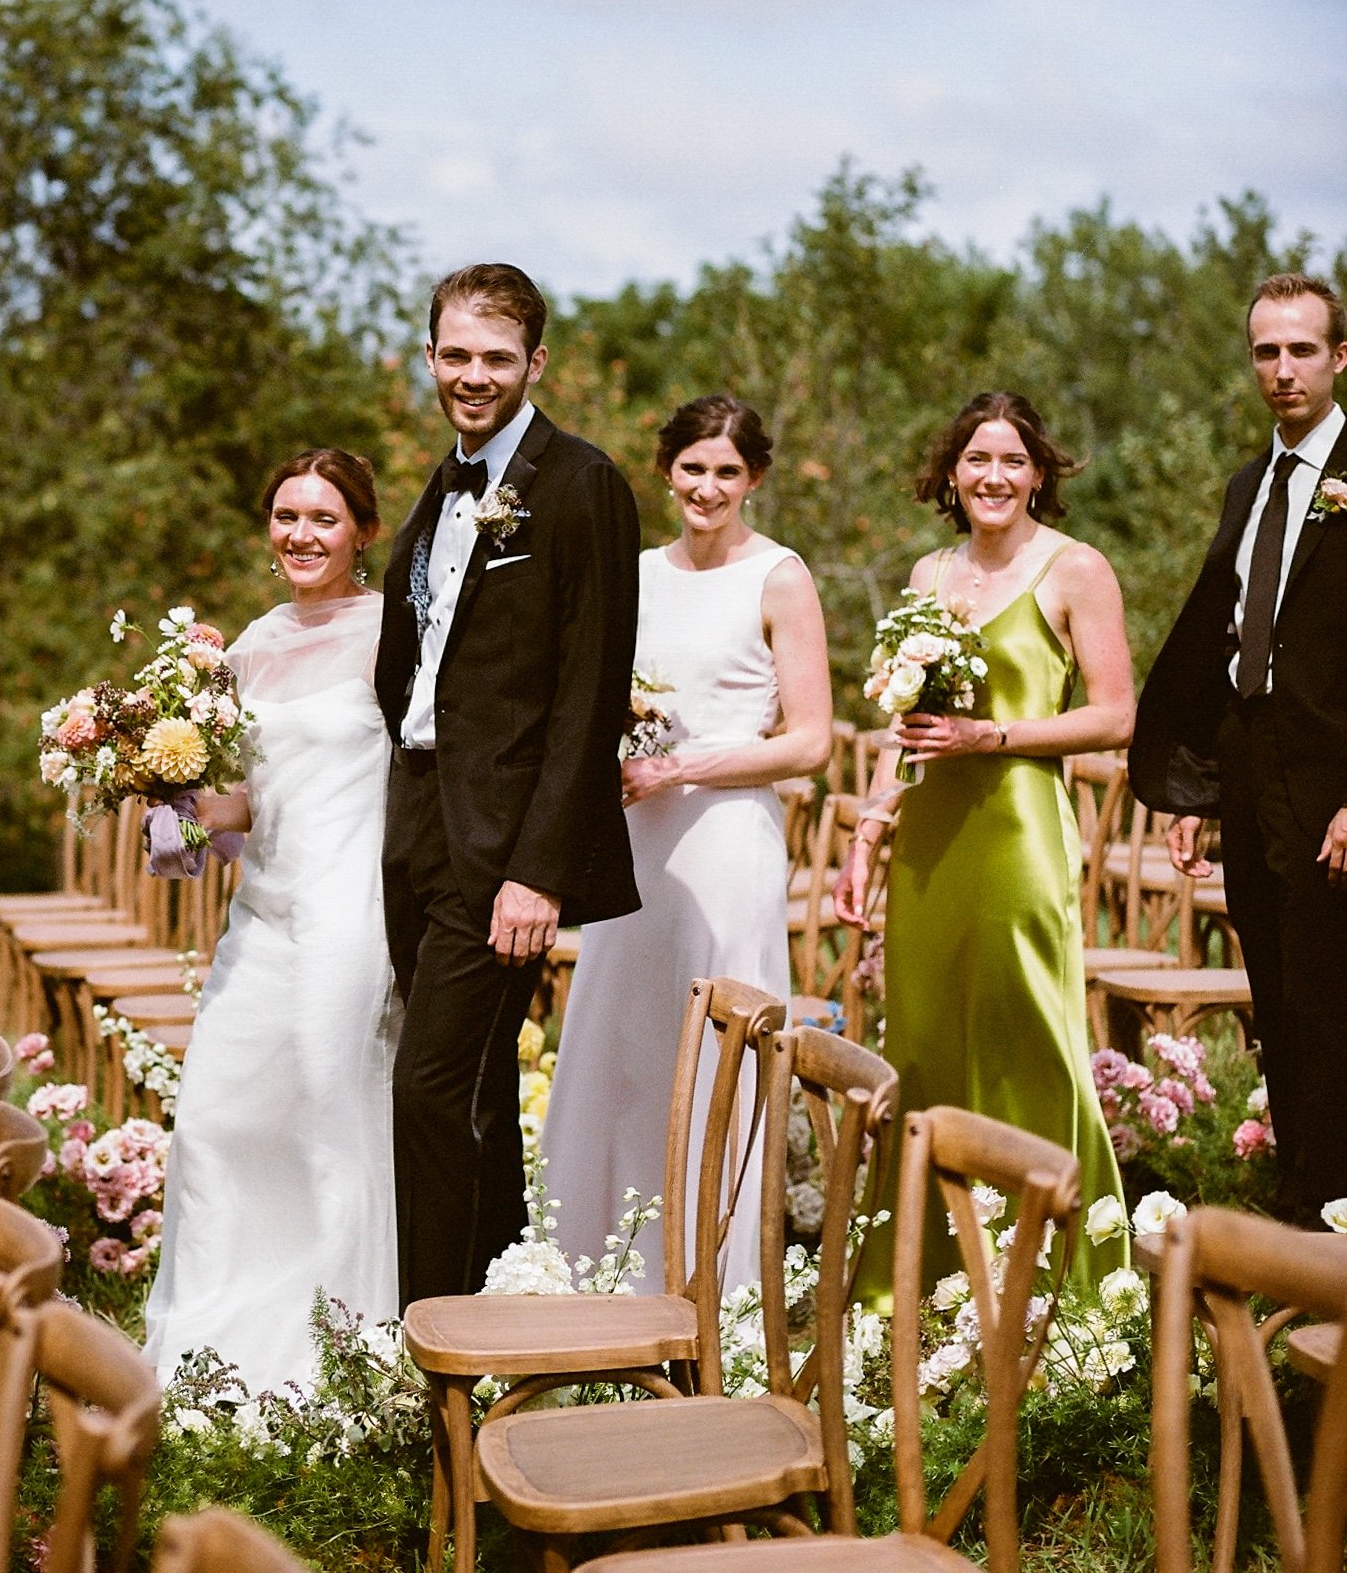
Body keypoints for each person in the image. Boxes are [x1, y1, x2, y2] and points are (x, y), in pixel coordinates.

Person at [376, 263, 641, 1305]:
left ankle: (424, 1338)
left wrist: (537, 871)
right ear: (430, 357)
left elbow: (589, 694)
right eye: (454, 354)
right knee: (471, 1090)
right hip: (415, 824)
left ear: (535, 362)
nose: (471, 375)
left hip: (501, 853)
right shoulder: (437, 486)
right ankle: (498, 1315)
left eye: (494, 357)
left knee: (429, 1087)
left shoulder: (581, 484)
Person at [836, 391, 1133, 1291]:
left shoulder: (1077, 569)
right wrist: (871, 826)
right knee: (922, 1043)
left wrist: (993, 737)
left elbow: (1117, 715)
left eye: (1011, 460)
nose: (993, 476)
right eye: (977, 460)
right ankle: (919, 1286)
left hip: (1019, 831)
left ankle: (1069, 1281)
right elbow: (906, 722)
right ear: (952, 475)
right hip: (929, 841)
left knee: (1029, 1036)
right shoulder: (929, 574)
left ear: (1038, 472)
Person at [543, 396, 833, 1298]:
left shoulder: (779, 577)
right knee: (622, 1045)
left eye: (727, 472)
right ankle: (592, 1271)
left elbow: (810, 740)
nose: (707, 487)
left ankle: (714, 1285)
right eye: (692, 468)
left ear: (753, 479)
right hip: (631, 839)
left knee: (714, 1053)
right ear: (665, 469)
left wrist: (685, 767)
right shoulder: (632, 572)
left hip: (724, 836)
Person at [143, 450, 398, 1394]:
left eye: (323, 518)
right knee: (214, 1113)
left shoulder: (392, 635)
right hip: (263, 906)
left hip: (349, 903)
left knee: (330, 1115)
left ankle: (340, 1356)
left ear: (363, 531)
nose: (300, 534)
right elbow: (251, 793)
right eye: (285, 516)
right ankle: (212, 1345)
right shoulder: (249, 644)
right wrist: (172, 800)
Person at [1132, 272, 1347, 1220]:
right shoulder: (1246, 487)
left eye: (1302, 348)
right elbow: (1222, 643)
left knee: (1333, 1013)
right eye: (1266, 350)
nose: (1282, 369)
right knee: (1283, 1017)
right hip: (1252, 781)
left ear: (1339, 357)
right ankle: (1301, 1231)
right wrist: (1197, 791)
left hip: (1334, 790)